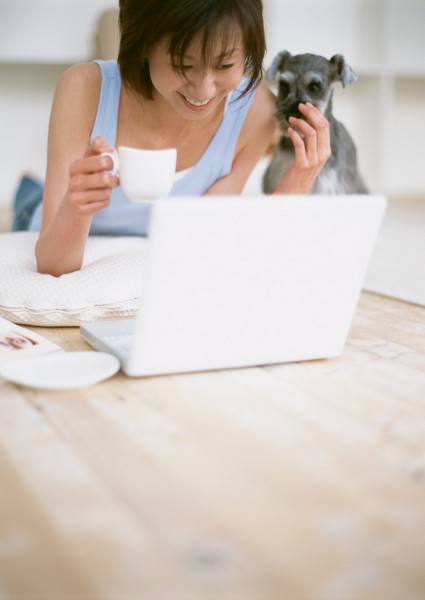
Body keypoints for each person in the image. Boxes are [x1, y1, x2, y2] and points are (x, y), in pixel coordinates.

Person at [14, 0, 330, 277]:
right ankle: (28, 188)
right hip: (48, 223)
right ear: (144, 45)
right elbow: (53, 265)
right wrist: (78, 206)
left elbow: (206, 238)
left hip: (156, 236)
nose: (204, 91)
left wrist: (295, 187)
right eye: (183, 64)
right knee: (31, 199)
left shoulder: (256, 110)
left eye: (224, 65)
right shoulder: (83, 87)